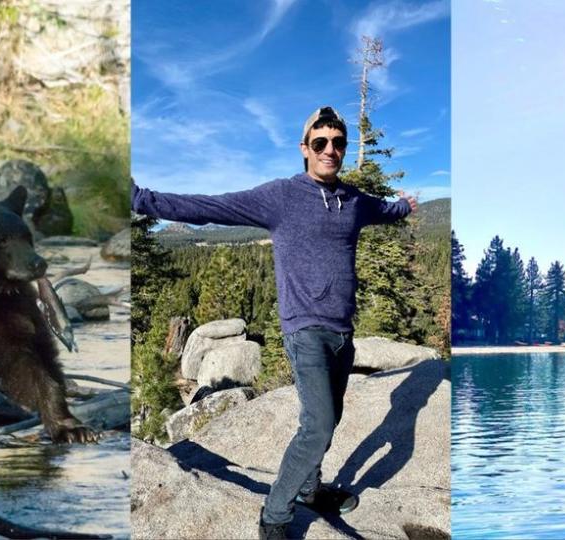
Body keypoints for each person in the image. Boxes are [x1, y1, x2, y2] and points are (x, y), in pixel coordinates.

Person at [132, 106, 417, 539]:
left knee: (330, 417)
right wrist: (140, 199)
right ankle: (275, 517)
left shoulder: (353, 201)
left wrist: (404, 207)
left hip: (343, 333)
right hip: (304, 331)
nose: (331, 150)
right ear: (305, 149)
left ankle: (307, 490)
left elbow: (384, 210)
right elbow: (210, 207)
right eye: (320, 143)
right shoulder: (281, 197)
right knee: (317, 424)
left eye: (338, 143)